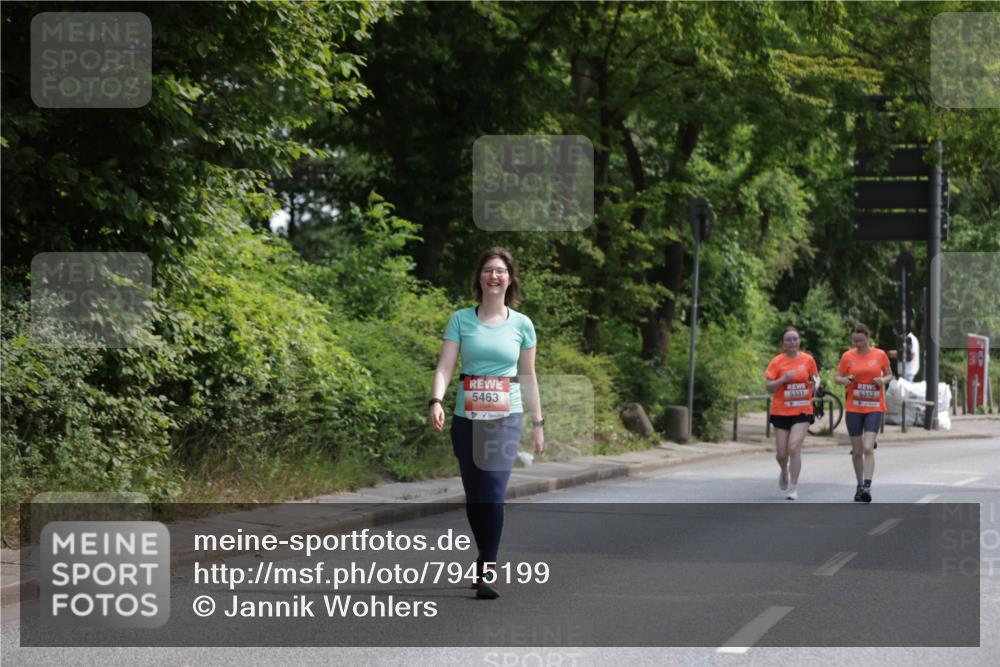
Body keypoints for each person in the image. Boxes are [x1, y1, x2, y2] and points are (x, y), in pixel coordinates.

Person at [428, 247, 544, 599]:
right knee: (476, 494)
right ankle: (484, 557)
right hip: (467, 416)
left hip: (506, 416)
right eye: (488, 270)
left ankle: (488, 568)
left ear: (510, 278)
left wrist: (538, 422)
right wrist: (436, 399)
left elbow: (528, 375)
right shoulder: (461, 319)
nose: (494, 276)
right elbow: (445, 366)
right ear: (479, 277)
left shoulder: (522, 324)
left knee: (493, 490)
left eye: (501, 271)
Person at [835, 324, 892, 503]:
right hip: (854, 408)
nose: (858, 343)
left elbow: (890, 374)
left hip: (874, 407)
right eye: (855, 340)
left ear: (868, 337)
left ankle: (867, 486)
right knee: (857, 450)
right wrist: (846, 379)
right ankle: (859, 485)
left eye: (861, 340)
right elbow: (837, 378)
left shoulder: (879, 355)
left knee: (868, 447)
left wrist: (882, 380)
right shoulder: (847, 356)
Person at [764, 327, 820, 501]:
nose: (792, 342)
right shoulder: (777, 362)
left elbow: (816, 377)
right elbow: (768, 386)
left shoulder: (808, 360)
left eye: (795, 339)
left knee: (794, 447)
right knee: (781, 454)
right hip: (781, 410)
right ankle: (784, 470)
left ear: (799, 341)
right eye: (788, 339)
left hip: (803, 409)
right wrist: (782, 380)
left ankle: (794, 488)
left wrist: (816, 385)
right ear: (783, 343)